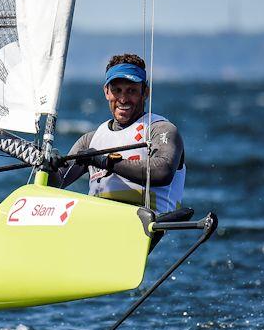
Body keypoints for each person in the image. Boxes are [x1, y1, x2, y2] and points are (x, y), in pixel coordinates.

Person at [49, 53, 185, 215]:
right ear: (106, 92)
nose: (123, 98)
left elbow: (162, 172)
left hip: (150, 226)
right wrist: (49, 167)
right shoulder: (90, 140)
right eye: (117, 90)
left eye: (131, 91)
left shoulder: (161, 129)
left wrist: (105, 162)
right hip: (101, 224)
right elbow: (57, 183)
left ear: (145, 92)